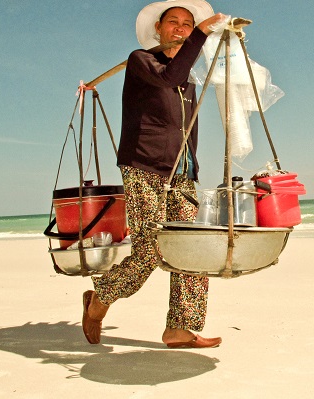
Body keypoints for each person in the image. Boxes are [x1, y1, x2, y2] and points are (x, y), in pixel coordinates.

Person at [82, 0, 227, 349]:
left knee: (193, 248)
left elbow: (186, 127)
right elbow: (169, 75)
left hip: (181, 173)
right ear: (158, 30)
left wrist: (191, 166)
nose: (180, 28)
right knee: (151, 249)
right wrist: (203, 34)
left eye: (188, 24)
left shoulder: (188, 81)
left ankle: (180, 327)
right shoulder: (142, 61)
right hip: (144, 166)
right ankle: (100, 297)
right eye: (173, 22)